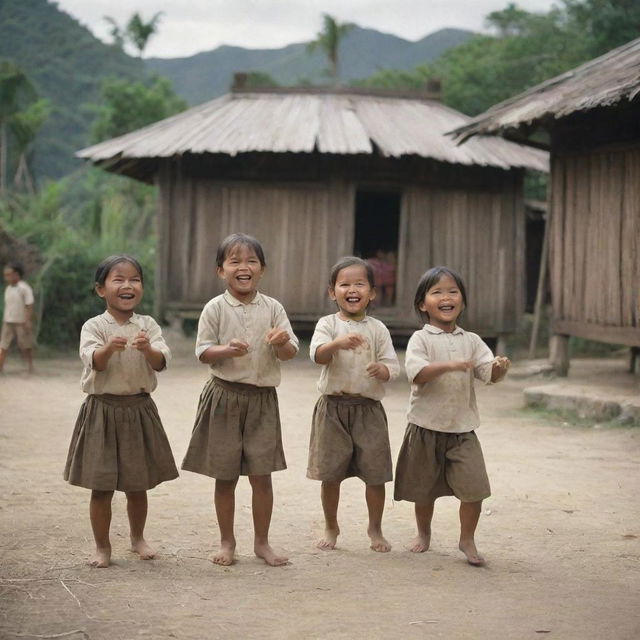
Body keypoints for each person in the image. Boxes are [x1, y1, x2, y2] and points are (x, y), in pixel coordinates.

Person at [181, 233, 298, 567]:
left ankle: (262, 543)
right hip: (224, 398)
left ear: (262, 269)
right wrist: (227, 350)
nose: (243, 267)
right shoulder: (215, 308)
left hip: (262, 400)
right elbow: (203, 352)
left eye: (251, 261)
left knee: (263, 475)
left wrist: (281, 343)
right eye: (234, 261)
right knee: (225, 475)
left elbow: (290, 353)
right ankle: (227, 542)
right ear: (221, 270)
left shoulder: (274, 308)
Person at [63, 255, 178, 568]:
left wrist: (148, 349)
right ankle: (102, 547)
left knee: (136, 484)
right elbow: (94, 361)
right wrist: (108, 349)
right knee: (101, 486)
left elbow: (160, 362)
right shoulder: (95, 327)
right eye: (118, 279)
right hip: (102, 411)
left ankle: (137, 538)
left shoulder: (148, 326)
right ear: (101, 290)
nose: (128, 285)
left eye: (135, 279)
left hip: (139, 410)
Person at [394, 266, 510, 566]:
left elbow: (487, 372)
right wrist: (449, 365)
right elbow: (417, 375)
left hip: (463, 428)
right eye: (437, 292)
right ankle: (423, 533)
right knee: (423, 488)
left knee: (475, 489)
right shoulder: (421, 340)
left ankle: (467, 539)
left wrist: (498, 367)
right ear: (423, 304)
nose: (446, 297)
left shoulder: (471, 339)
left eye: (453, 291)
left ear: (462, 300)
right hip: (425, 426)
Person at [307, 256, 399, 552]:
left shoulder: (378, 329)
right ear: (332, 292)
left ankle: (375, 528)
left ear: (372, 292)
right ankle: (331, 525)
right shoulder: (328, 324)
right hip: (333, 408)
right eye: (344, 284)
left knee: (375, 474)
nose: (352, 289)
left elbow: (392, 365)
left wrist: (382, 370)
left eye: (360, 284)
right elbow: (317, 355)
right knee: (330, 473)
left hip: (369, 410)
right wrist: (337, 344)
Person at [0, 261, 35, 373]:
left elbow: (29, 305)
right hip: (8, 321)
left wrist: (27, 320)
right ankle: (0, 366)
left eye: (9, 275)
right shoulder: (8, 288)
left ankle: (29, 366)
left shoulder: (24, 288)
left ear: (16, 274)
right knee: (3, 344)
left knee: (25, 344)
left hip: (21, 321)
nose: (7, 278)